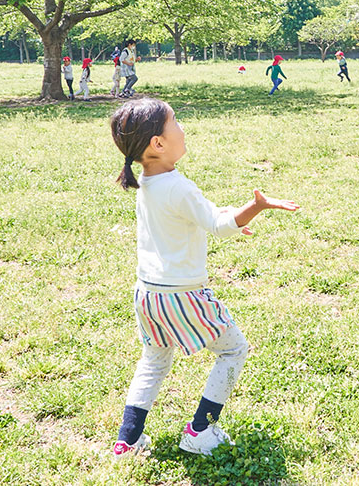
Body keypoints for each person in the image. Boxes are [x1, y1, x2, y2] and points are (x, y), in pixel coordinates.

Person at [109, 99, 299, 459]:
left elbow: (196, 216)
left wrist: (231, 215)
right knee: (233, 350)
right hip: (183, 295)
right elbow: (217, 225)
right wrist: (255, 207)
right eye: (175, 122)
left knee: (153, 361)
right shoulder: (178, 186)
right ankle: (200, 430)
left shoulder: (150, 182)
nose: (182, 129)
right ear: (158, 144)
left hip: (148, 294)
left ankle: (127, 441)